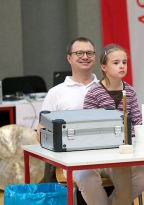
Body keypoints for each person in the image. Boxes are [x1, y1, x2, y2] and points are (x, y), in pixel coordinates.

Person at [82, 44, 144, 205]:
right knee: (123, 172)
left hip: (125, 152)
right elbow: (89, 127)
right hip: (101, 154)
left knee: (141, 175)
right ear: (104, 67)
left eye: (124, 62)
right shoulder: (93, 93)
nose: (122, 66)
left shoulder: (130, 91)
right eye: (116, 62)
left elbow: (137, 122)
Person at [37, 37, 99, 181]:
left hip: (107, 158)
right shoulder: (56, 92)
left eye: (89, 53)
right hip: (72, 160)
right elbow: (41, 132)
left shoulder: (105, 88)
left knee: (138, 176)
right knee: (87, 178)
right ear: (69, 58)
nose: (85, 57)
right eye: (79, 53)